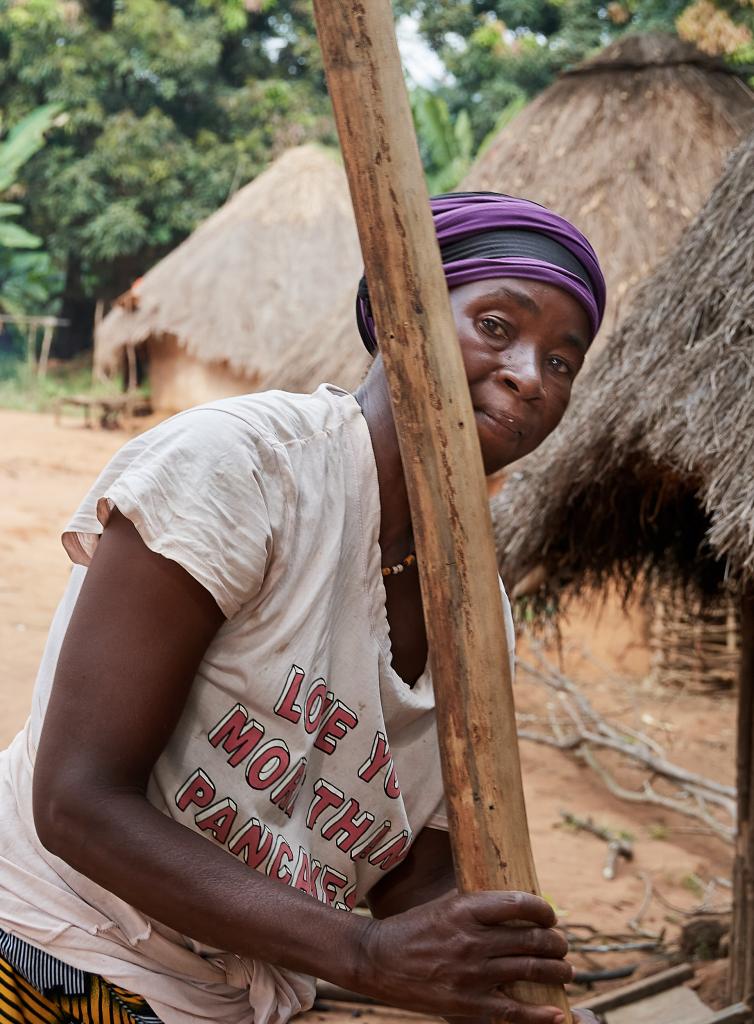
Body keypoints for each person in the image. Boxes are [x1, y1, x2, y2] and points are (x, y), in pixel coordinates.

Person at [0, 192, 604, 1024]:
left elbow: (403, 872)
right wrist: (361, 954)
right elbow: (77, 801)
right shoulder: (242, 472)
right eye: (497, 326)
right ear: (400, 313)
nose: (529, 376)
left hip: (229, 1001)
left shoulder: (477, 617)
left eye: (563, 362)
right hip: (45, 947)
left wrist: (492, 951)